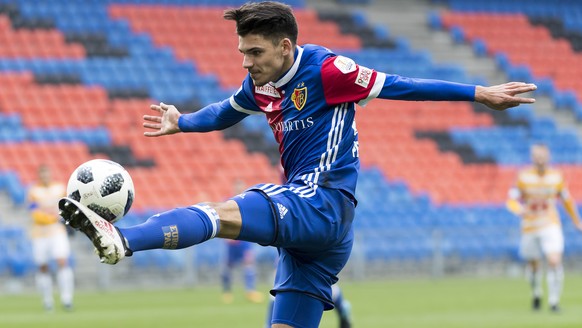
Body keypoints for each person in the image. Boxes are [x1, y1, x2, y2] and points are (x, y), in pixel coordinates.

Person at [58, 2, 536, 326]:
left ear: (285, 47)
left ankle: (122, 240)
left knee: (220, 212)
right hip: (319, 238)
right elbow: (226, 111)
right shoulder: (261, 85)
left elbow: (400, 84)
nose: (246, 62)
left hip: (321, 201)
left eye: (255, 52)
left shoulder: (329, 71)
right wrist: (182, 122)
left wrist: (480, 93)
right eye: (242, 52)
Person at [506, 144, 582, 312]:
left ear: (548, 157)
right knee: (533, 265)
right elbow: (510, 200)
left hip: (550, 223)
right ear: (532, 157)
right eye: (536, 156)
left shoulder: (556, 176)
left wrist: (577, 221)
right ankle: (536, 292)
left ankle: (554, 302)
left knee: (554, 260)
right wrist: (519, 209)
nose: (540, 159)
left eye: (543, 155)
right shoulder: (523, 176)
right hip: (530, 226)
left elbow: (566, 200)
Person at [28, 165, 74, 312]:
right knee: (43, 267)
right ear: (39, 176)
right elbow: (34, 213)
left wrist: (61, 219)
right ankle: (47, 300)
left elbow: (66, 208)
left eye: (47, 173)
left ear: (50, 174)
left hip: (57, 232)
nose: (45, 177)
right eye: (42, 174)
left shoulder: (60, 188)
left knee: (62, 261)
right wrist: (52, 218)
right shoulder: (33, 191)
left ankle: (67, 299)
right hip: (40, 233)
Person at [221, 179, 264, 304]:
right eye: (237, 187)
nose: (239, 189)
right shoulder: (228, 201)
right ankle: (227, 292)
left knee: (249, 263)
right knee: (228, 267)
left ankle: (250, 291)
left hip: (245, 240)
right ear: (234, 188)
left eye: (241, 187)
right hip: (232, 240)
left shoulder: (247, 201)